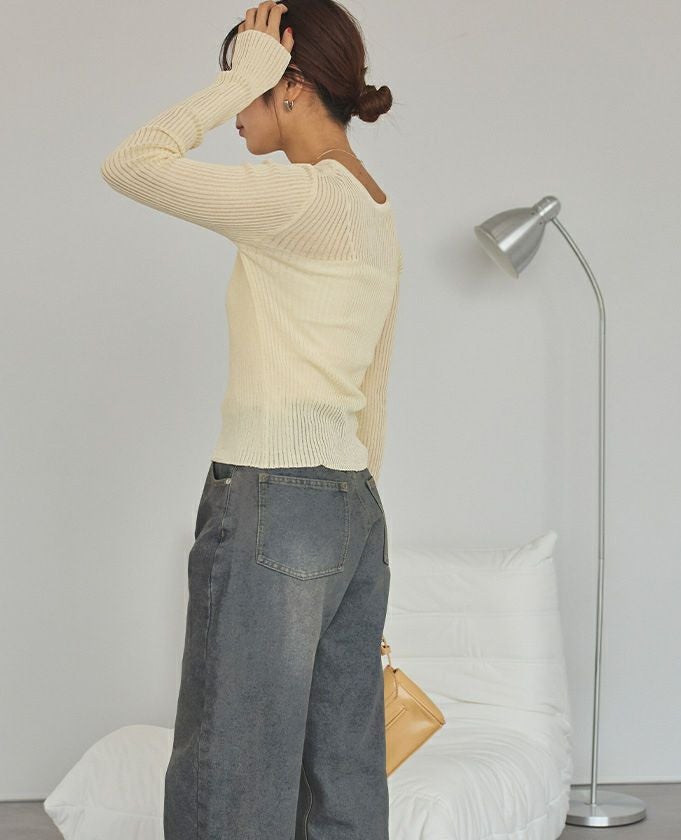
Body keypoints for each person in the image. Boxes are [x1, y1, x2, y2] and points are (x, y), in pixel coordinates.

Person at [100, 0, 402, 837]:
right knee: (341, 780)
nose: (237, 105)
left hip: (273, 500)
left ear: (290, 84)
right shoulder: (377, 209)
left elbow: (131, 163)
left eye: (252, 82)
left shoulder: (300, 199)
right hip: (354, 510)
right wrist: (349, 519)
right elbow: (373, 390)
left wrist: (242, 75)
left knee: (229, 776)